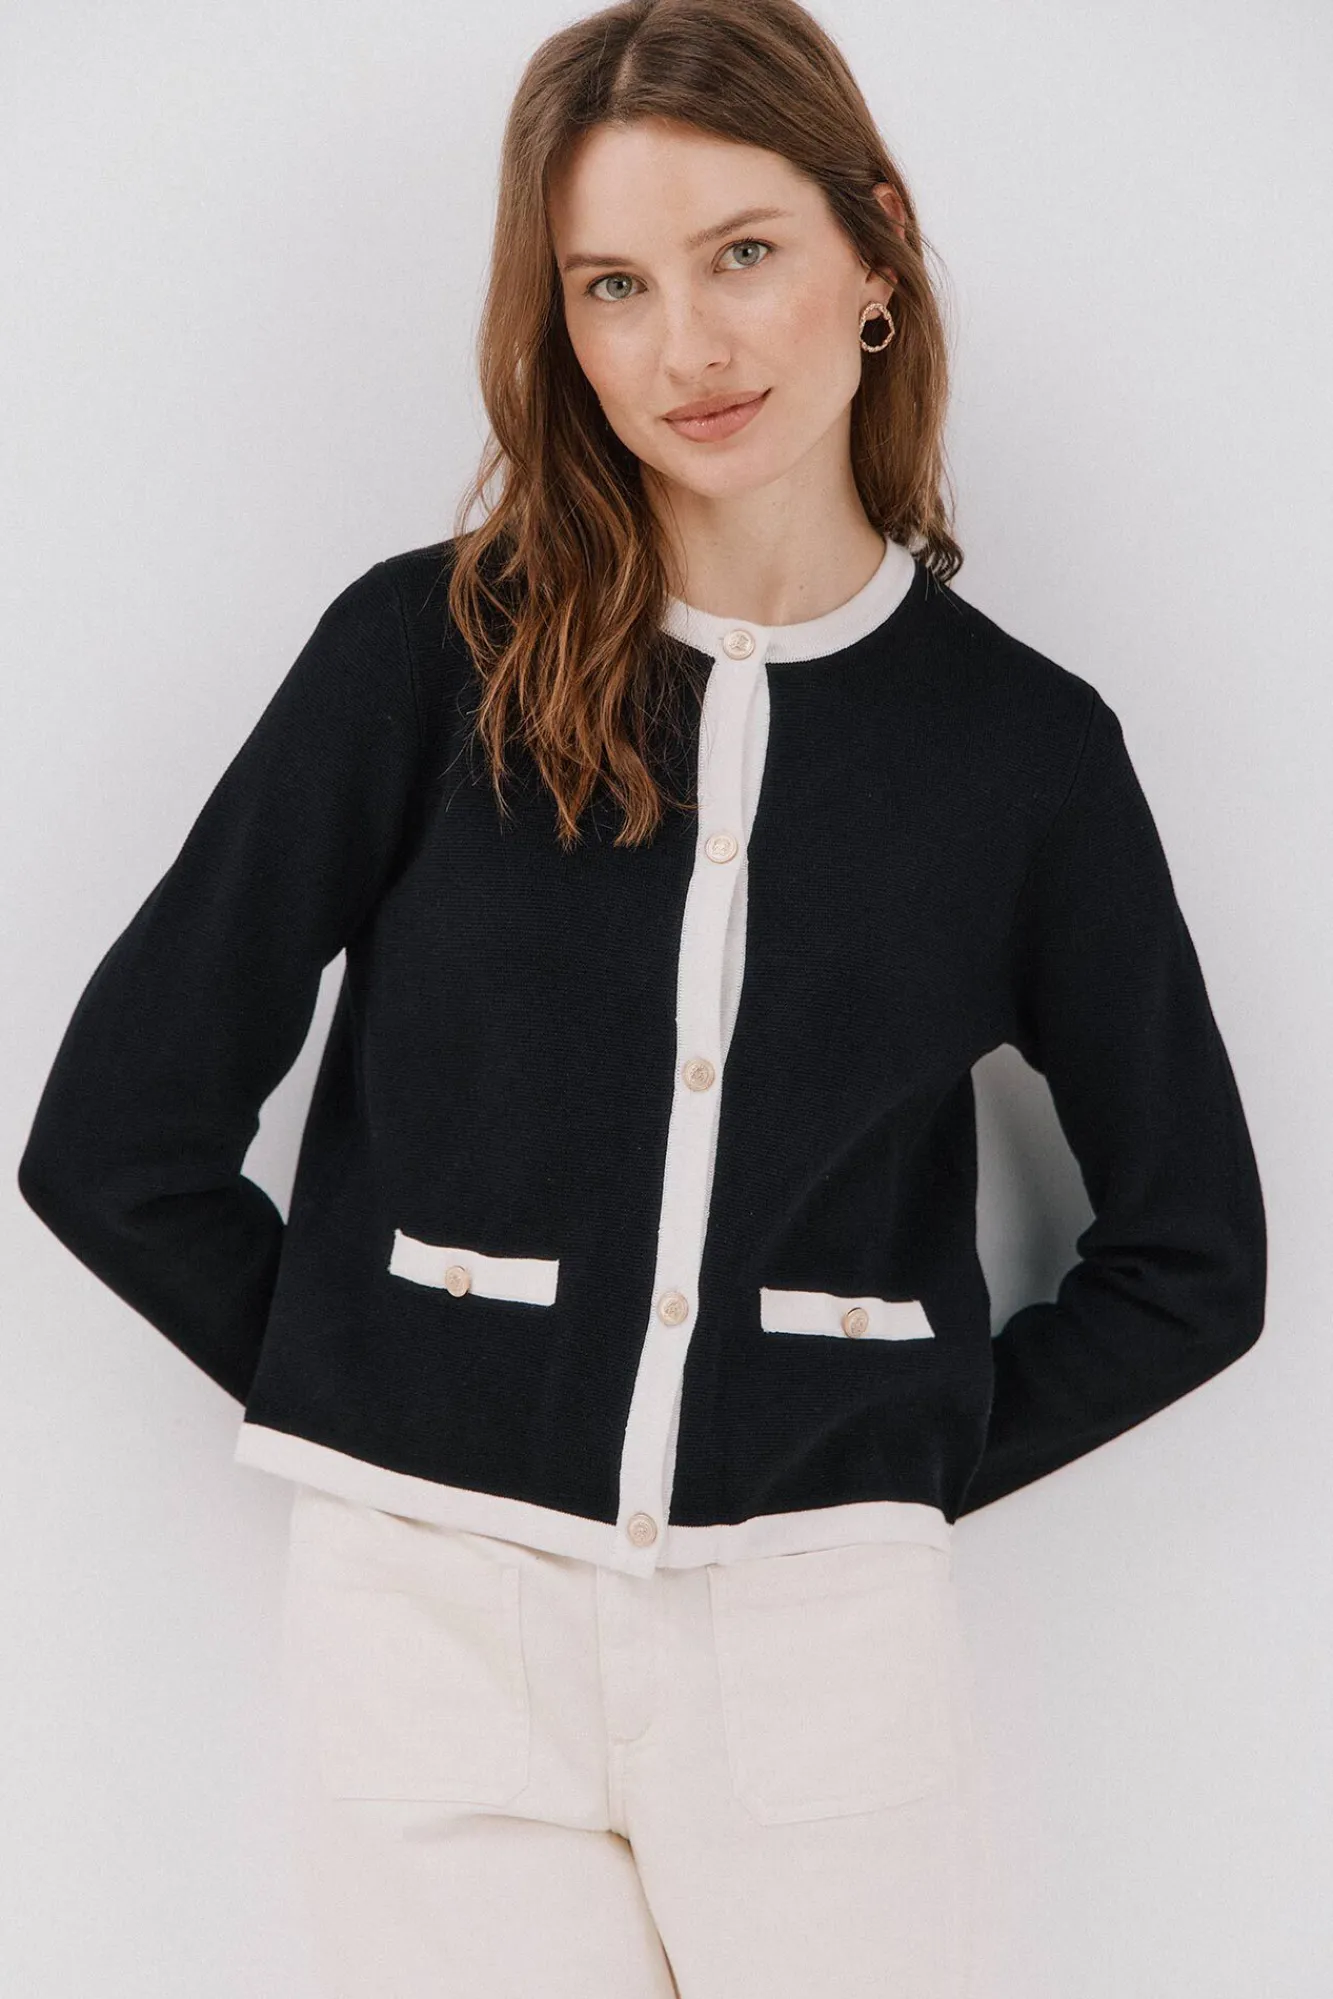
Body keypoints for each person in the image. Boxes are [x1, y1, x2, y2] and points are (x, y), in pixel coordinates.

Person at [16, 1, 1267, 1994]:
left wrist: (883, 1463)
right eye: (613, 284)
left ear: (876, 245)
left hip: (827, 1653)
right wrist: (392, 1407)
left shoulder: (1025, 755)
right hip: (433, 1636)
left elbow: (1196, 1257)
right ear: (561, 327)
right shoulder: (425, 658)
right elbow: (112, 1143)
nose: (686, 346)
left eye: (741, 252)